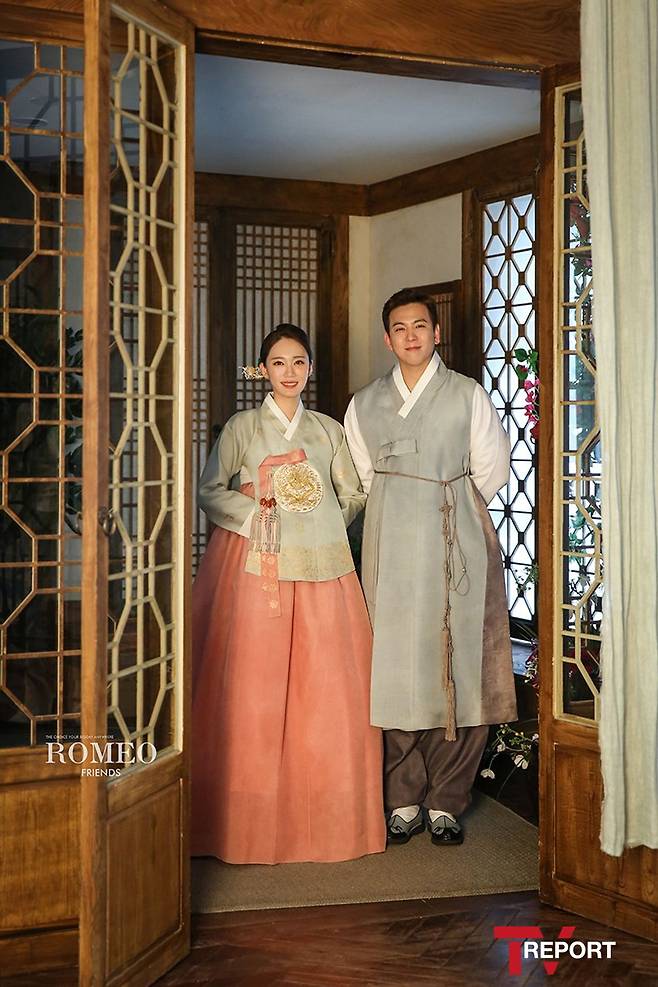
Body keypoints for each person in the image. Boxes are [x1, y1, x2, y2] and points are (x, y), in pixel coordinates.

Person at [191, 324, 386, 864]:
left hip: (322, 566)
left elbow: (352, 493)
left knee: (325, 690)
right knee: (253, 688)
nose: (290, 372)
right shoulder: (242, 427)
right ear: (262, 370)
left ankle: (327, 818)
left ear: (310, 369)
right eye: (278, 363)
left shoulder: (327, 429)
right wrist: (258, 513)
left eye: (299, 362)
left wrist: (320, 517)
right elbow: (209, 490)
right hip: (259, 564)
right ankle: (245, 821)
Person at [344, 288, 517, 847]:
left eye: (420, 325)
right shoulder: (363, 403)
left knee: (458, 663)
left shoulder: (467, 394)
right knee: (392, 668)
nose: (411, 336)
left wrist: (450, 508)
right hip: (389, 547)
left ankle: (446, 801)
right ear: (387, 338)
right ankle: (402, 797)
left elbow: (491, 469)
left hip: (455, 542)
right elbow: (361, 479)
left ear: (436, 332)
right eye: (399, 328)